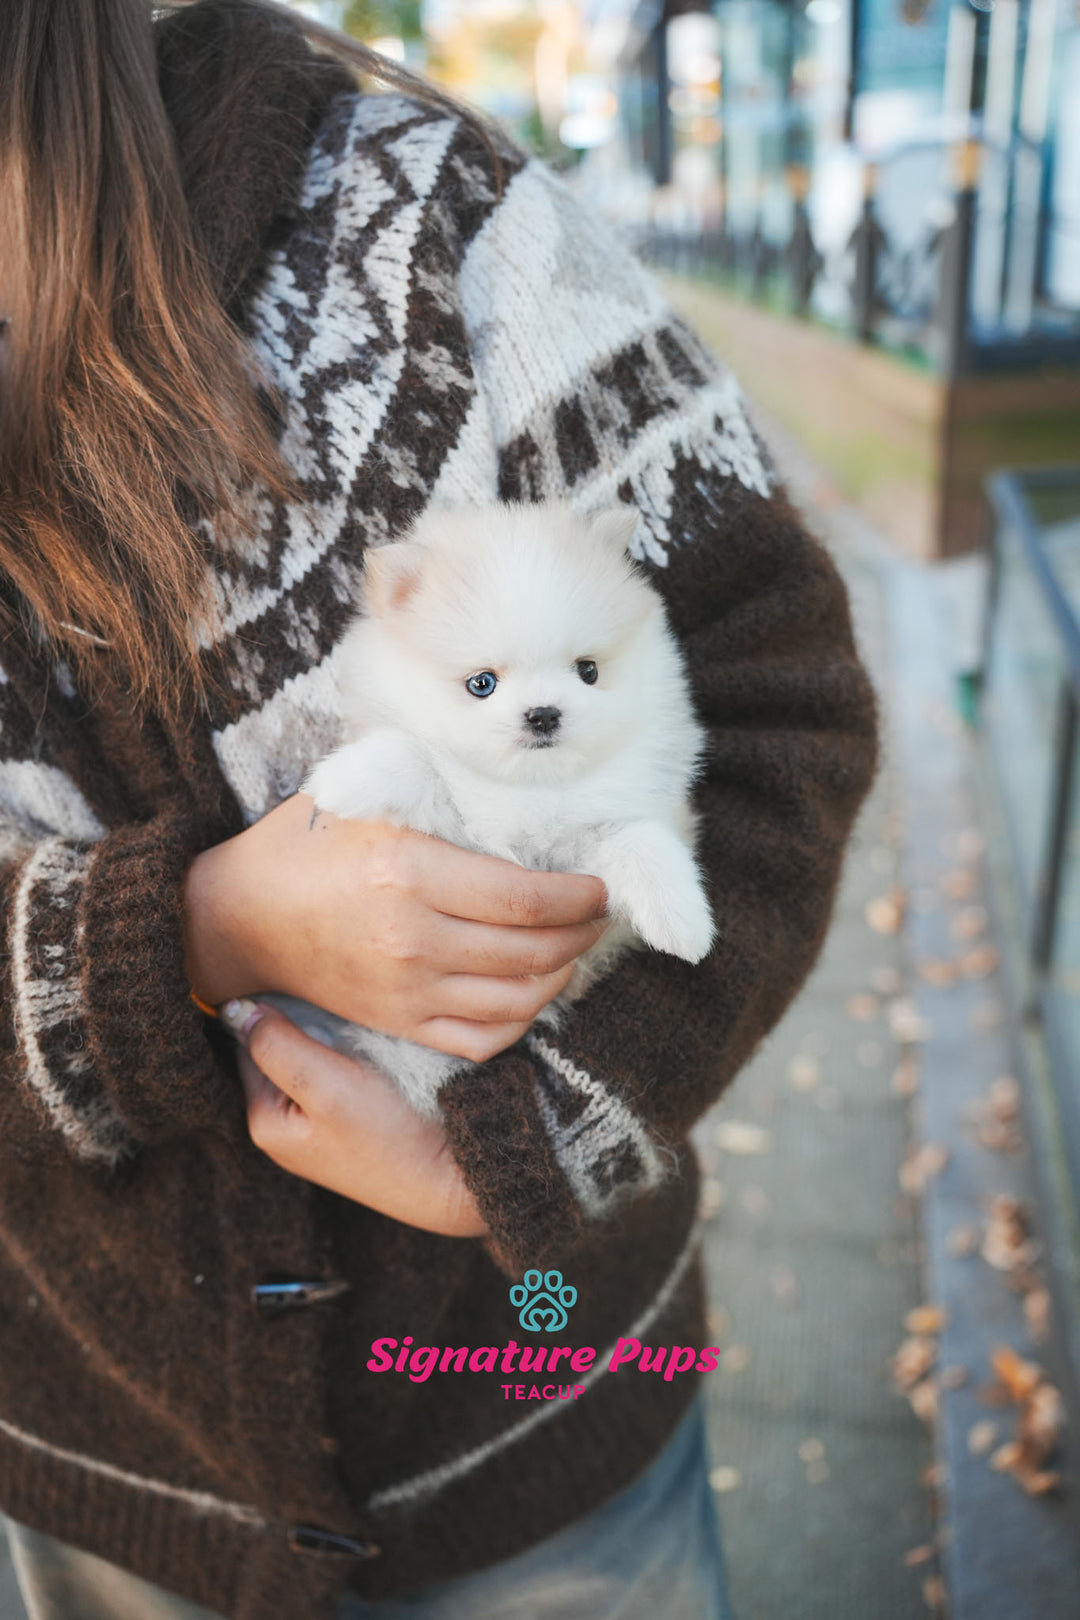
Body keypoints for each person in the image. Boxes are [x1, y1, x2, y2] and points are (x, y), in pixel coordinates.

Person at [0, 2, 878, 1618]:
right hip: (97, 1458)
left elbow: (781, 713)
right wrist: (191, 929)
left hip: (534, 1430)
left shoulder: (431, 224)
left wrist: (525, 1148)